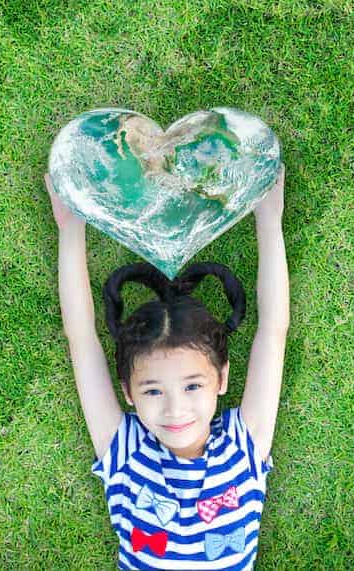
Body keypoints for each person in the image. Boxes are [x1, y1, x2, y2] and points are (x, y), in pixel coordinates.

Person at [45, 167, 289, 570]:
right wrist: (70, 230)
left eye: (192, 386)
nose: (175, 409)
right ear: (128, 392)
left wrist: (268, 219)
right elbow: (82, 341)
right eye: (153, 390)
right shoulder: (125, 450)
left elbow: (274, 333)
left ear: (221, 378)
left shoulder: (244, 445)